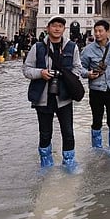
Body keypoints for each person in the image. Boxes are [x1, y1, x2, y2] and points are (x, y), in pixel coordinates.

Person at [23, 16, 83, 169]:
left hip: (64, 96)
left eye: (60, 26)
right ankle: (46, 165)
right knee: (45, 133)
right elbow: (26, 69)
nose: (57, 29)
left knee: (68, 132)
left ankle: (69, 164)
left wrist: (68, 78)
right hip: (43, 97)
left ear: (64, 29)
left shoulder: (72, 47)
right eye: (54, 25)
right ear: (48, 28)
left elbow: (78, 68)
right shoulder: (37, 47)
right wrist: (41, 73)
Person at [80, 20, 110, 152]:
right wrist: (87, 74)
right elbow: (80, 68)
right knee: (97, 120)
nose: (97, 34)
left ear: (107, 32)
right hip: (96, 90)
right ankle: (96, 149)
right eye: (96, 31)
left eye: (100, 31)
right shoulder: (87, 50)